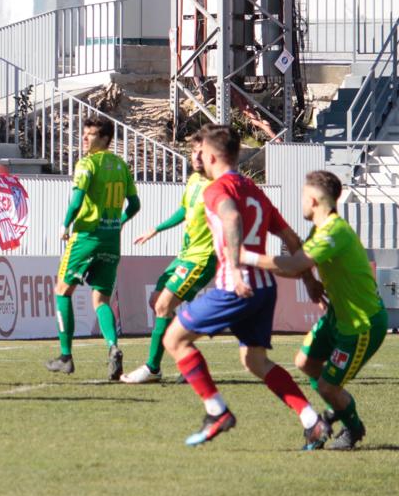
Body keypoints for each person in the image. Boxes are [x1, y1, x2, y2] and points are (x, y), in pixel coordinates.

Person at [162, 125, 332, 448]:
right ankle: (312, 422)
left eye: (201, 153)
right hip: (266, 288)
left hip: (235, 286)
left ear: (211, 156)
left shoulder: (216, 190)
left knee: (175, 339)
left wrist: (237, 270)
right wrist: (309, 281)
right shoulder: (254, 189)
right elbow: (291, 238)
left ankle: (217, 412)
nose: (198, 156)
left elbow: (231, 220)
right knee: (255, 362)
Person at [242, 170, 389, 450]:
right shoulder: (319, 230)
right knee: (304, 362)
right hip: (338, 317)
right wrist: (310, 283)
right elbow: (303, 263)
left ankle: (353, 428)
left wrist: (246, 255)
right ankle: (337, 406)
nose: (301, 202)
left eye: (302, 196)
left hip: (361, 325)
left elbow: (294, 264)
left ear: (312, 199)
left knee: (327, 387)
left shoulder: (334, 232)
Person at [46, 116, 140, 380]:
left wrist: (66, 224)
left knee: (62, 291)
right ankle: (113, 347)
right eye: (84, 133)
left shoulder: (86, 164)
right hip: (111, 239)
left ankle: (65, 356)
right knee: (101, 300)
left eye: (92, 134)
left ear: (106, 139)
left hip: (86, 237)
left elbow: (76, 200)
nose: (85, 138)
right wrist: (119, 222)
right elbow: (134, 205)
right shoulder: (121, 166)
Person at [121, 129, 215, 383]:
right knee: (156, 301)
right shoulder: (194, 181)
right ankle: (189, 357)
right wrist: (156, 228)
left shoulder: (220, 185)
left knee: (164, 305)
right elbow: (184, 210)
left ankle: (153, 368)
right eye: (193, 151)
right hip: (185, 255)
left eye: (201, 152)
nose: (195, 156)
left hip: (203, 257)